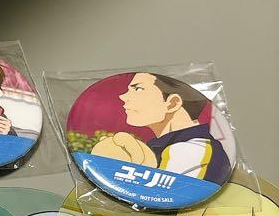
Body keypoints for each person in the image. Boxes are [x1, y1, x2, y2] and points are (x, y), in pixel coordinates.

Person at [95, 72, 232, 183]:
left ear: (172, 103)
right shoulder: (163, 148)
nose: (123, 96)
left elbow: (159, 199)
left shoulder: (192, 150)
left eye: (138, 89)